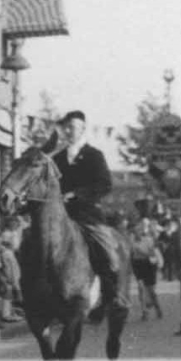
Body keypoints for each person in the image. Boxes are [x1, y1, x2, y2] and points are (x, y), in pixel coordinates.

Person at [52, 110, 129, 323]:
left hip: (87, 215)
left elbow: (105, 184)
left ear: (83, 129)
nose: (68, 131)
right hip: (61, 216)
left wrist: (77, 194)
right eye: (66, 127)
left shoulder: (95, 155)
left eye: (73, 127)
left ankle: (113, 297)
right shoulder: (56, 158)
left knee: (110, 255)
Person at [0, 225, 24, 326]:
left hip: (1, 273)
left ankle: (7, 313)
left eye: (0, 241)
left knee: (8, 290)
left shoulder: (0, 249)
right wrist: (1, 277)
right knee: (2, 291)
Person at [130, 217, 163, 320]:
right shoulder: (131, 241)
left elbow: (153, 254)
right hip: (137, 264)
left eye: (139, 231)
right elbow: (129, 254)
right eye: (135, 232)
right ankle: (144, 311)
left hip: (148, 265)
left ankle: (157, 307)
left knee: (151, 291)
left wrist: (142, 251)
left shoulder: (148, 240)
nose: (137, 233)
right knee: (140, 288)